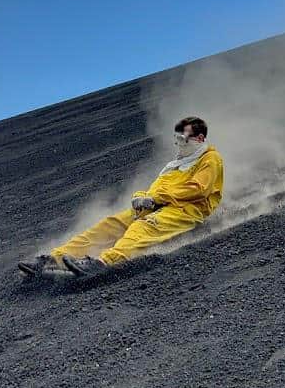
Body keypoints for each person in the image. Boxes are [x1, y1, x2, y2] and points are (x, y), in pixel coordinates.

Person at [19, 116, 224, 278]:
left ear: (199, 139)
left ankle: (104, 263)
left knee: (142, 227)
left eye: (182, 138)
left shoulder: (209, 159)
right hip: (158, 206)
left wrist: (156, 198)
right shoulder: (177, 164)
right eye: (176, 138)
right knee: (109, 224)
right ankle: (55, 259)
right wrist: (141, 196)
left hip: (187, 211)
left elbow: (199, 189)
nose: (178, 143)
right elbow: (157, 188)